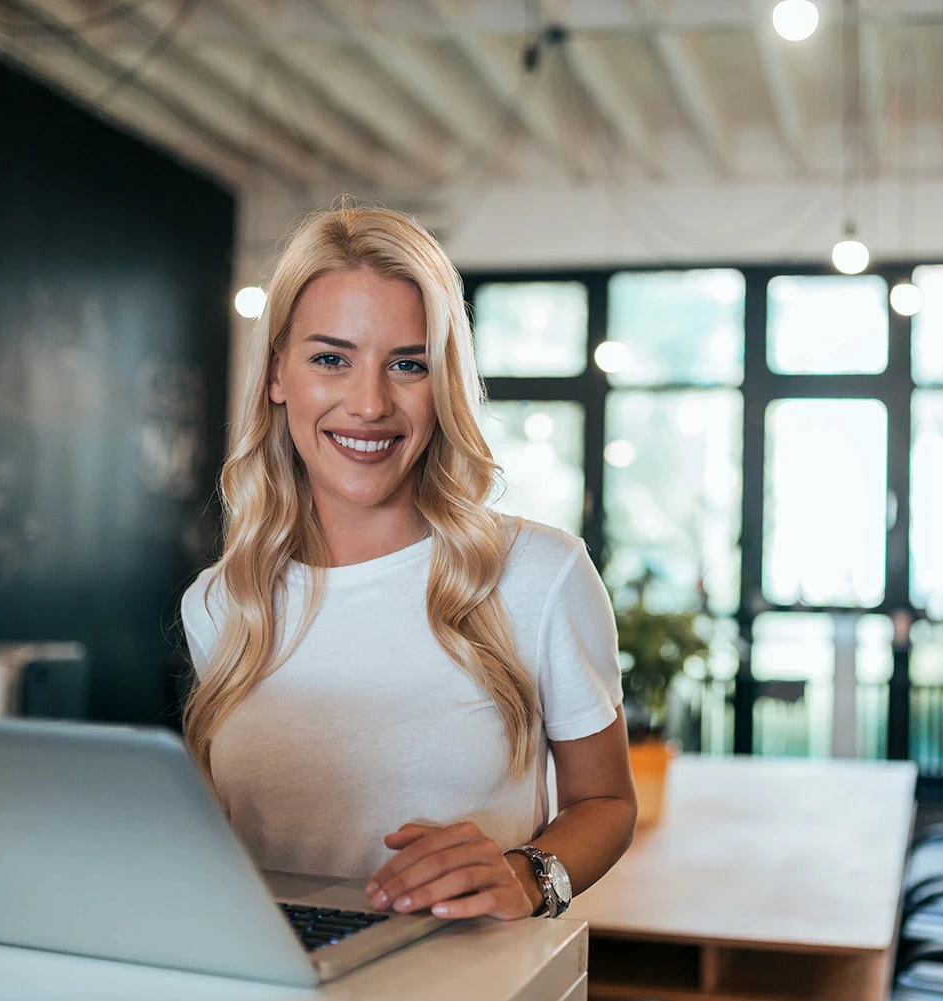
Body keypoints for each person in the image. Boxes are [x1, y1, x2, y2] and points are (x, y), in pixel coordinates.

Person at [180, 206, 635, 922]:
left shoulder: (540, 574)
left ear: (443, 380)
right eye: (331, 358)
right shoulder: (219, 601)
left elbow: (606, 802)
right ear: (276, 374)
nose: (369, 404)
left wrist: (528, 874)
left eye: (408, 364)